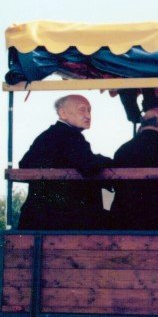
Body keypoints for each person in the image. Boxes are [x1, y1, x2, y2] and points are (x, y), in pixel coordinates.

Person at [18, 95, 113, 229]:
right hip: (62, 220)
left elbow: (24, 164)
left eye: (89, 110)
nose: (88, 115)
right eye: (82, 110)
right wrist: (109, 161)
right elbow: (89, 166)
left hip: (36, 218)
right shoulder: (69, 136)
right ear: (63, 113)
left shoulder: (48, 135)